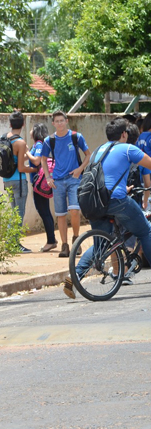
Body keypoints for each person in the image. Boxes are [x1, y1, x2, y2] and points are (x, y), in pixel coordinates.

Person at [65, 118, 151, 299]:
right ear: (124, 134)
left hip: (95, 202)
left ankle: (74, 276)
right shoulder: (128, 148)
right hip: (115, 200)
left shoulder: (99, 150)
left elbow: (103, 177)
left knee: (101, 244)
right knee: (145, 230)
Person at [41, 110, 91, 258]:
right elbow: (43, 159)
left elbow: (88, 154)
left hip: (74, 179)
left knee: (75, 210)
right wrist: (48, 177)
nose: (60, 123)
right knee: (61, 214)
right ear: (53, 124)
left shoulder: (76, 137)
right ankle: (64, 245)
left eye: (62, 120)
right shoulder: (49, 140)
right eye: (57, 121)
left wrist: (79, 169)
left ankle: (76, 239)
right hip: (57, 181)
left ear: (66, 121)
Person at [0, 111, 38, 253]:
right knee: (19, 213)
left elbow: (16, 160)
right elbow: (21, 167)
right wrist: (35, 170)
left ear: (10, 124)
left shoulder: (4, 138)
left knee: (13, 211)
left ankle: (10, 242)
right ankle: (13, 243)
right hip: (19, 181)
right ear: (23, 124)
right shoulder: (20, 142)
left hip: (7, 180)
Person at [26, 123, 58, 252]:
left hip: (40, 182)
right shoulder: (37, 145)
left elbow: (37, 161)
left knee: (43, 211)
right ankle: (52, 239)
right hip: (39, 182)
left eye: (32, 128)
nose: (30, 131)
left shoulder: (39, 144)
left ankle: (51, 241)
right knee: (44, 210)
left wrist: (27, 151)